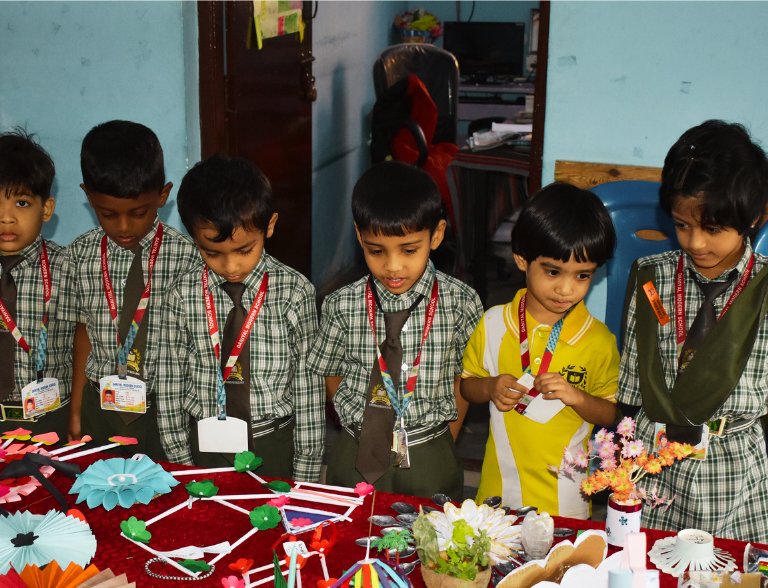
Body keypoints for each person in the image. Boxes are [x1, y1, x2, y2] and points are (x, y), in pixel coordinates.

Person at [618, 120, 768, 539]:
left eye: (713, 228)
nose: (696, 243)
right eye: (683, 225)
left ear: (753, 217)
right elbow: (631, 390)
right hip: (654, 465)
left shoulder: (765, 288)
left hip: (734, 472)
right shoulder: (651, 278)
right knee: (647, 578)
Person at [308, 160, 483, 500]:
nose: (393, 266)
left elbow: (464, 379)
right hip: (354, 452)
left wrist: (443, 438)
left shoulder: (461, 302)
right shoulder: (341, 303)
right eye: (376, 251)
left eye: (409, 250)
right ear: (359, 236)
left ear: (436, 235)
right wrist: (363, 427)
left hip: (430, 450)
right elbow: (330, 371)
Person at [161, 154, 325, 480]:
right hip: (203, 443)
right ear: (193, 236)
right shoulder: (182, 295)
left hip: (273, 442)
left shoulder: (294, 292)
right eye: (212, 253)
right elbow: (170, 384)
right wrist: (181, 464)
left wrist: (305, 476)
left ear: (270, 226)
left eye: (244, 250)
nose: (231, 266)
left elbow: (309, 390)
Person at [461, 183, 619, 518]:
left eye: (583, 275)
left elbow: (612, 413)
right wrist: (489, 387)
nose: (566, 288)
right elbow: (467, 385)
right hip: (495, 494)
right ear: (521, 259)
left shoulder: (598, 341)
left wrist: (577, 398)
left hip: (566, 502)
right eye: (552, 271)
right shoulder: (493, 324)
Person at [61, 120, 202, 460]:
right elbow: (83, 332)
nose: (124, 227)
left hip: (166, 410)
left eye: (139, 213)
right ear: (87, 197)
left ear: (163, 196)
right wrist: (77, 407)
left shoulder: (189, 257)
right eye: (107, 214)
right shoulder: (79, 255)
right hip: (100, 404)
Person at [0, 131, 75, 437]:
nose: (7, 218)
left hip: (50, 420)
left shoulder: (67, 267)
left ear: (46, 209)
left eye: (22, 203)